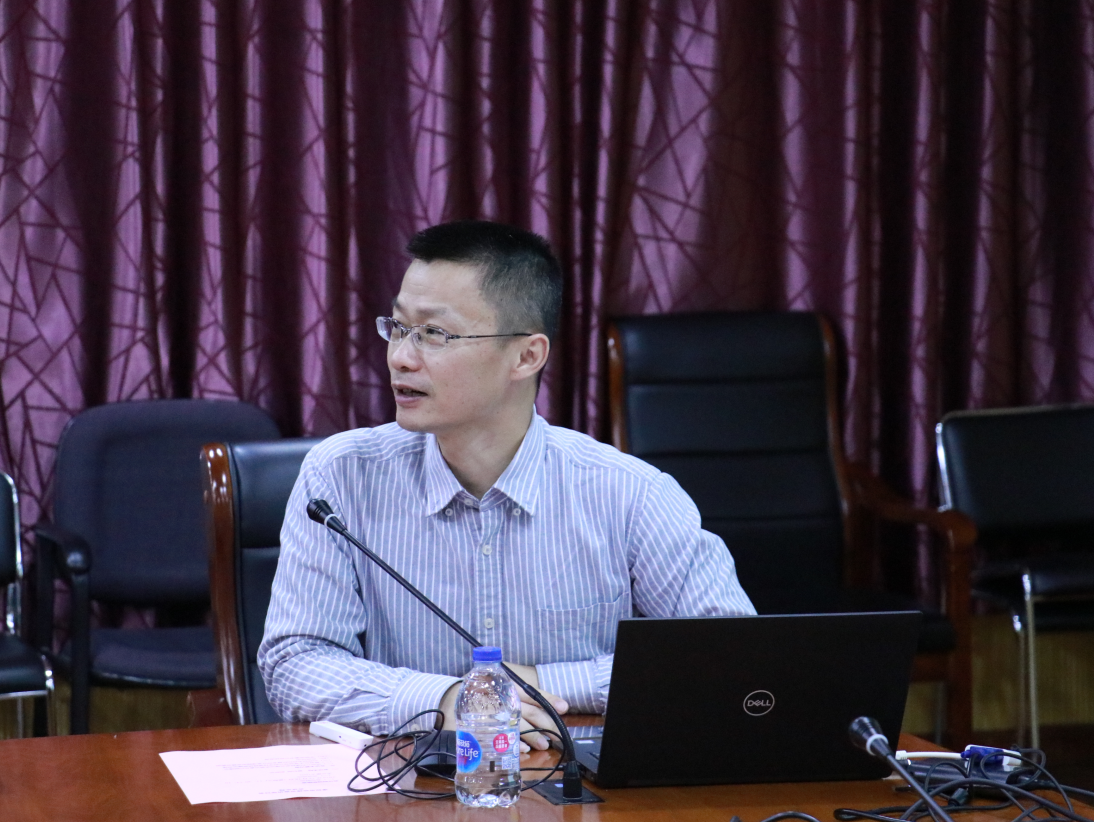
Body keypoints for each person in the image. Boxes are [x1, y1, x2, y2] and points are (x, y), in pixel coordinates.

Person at [258, 220, 754, 747]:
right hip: (406, 779)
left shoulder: (631, 494)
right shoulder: (341, 477)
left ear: (526, 356)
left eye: (434, 334)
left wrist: (542, 683)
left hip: (579, 780)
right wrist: (445, 700)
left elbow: (734, 657)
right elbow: (295, 663)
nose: (400, 356)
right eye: (398, 328)